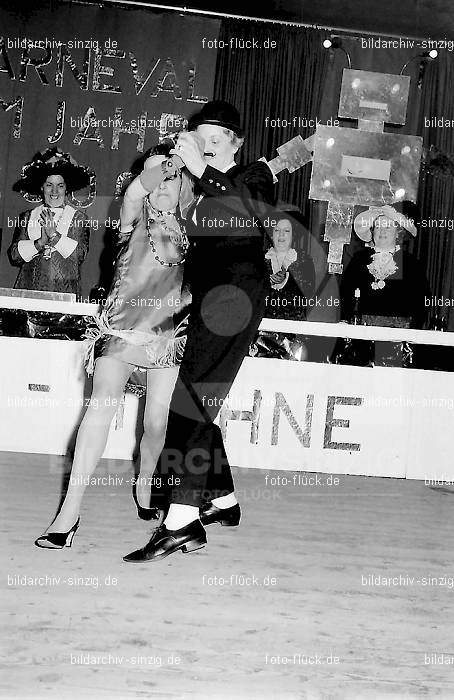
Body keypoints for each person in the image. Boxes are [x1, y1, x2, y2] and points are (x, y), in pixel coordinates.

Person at [123, 100, 275, 563]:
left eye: (217, 139)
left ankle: (181, 521)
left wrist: (198, 170)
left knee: (189, 403)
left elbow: (245, 217)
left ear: (237, 143)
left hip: (234, 299)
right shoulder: (197, 193)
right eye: (200, 138)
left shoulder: (255, 176)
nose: (207, 146)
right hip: (207, 301)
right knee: (198, 398)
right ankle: (223, 500)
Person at [34, 146, 194, 548]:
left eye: (170, 182)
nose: (161, 187)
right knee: (101, 404)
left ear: (182, 191)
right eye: (155, 178)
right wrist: (169, 163)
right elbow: (138, 189)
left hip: (168, 336)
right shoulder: (132, 215)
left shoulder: (191, 227)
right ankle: (68, 514)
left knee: (156, 425)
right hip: (120, 330)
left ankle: (145, 478)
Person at [8, 148, 91, 299]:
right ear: (41, 187)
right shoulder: (27, 217)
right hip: (29, 292)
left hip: (64, 295)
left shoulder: (78, 218)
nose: (54, 191)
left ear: (66, 188)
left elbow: (80, 256)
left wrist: (54, 236)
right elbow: (14, 256)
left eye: (60, 185)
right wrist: (40, 243)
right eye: (49, 185)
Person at [341, 204, 429, 329]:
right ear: (372, 232)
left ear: (398, 232)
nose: (382, 231)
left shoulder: (410, 263)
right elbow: (345, 296)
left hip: (398, 337)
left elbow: (421, 304)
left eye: (388, 227)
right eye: (378, 226)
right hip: (361, 334)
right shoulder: (359, 259)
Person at [264, 212, 315, 321]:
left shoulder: (303, 260)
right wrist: (267, 282)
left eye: (286, 231)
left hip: (293, 326)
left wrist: (287, 278)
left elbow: (308, 294)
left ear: (293, 235)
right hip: (262, 324)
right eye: (277, 230)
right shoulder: (261, 259)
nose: (281, 234)